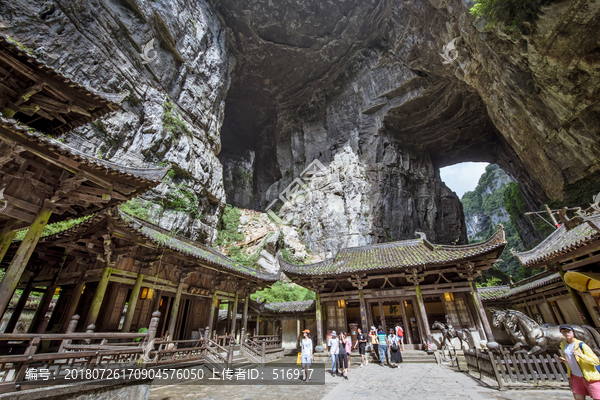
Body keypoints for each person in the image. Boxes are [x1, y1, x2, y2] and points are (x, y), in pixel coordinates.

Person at [557, 324, 600, 400]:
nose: (566, 333)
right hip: (575, 377)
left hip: (589, 377)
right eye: (563, 332)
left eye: (568, 331)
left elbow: (596, 361)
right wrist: (566, 361)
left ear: (573, 332)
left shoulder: (582, 345)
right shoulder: (564, 345)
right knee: (578, 398)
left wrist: (581, 356)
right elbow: (574, 360)